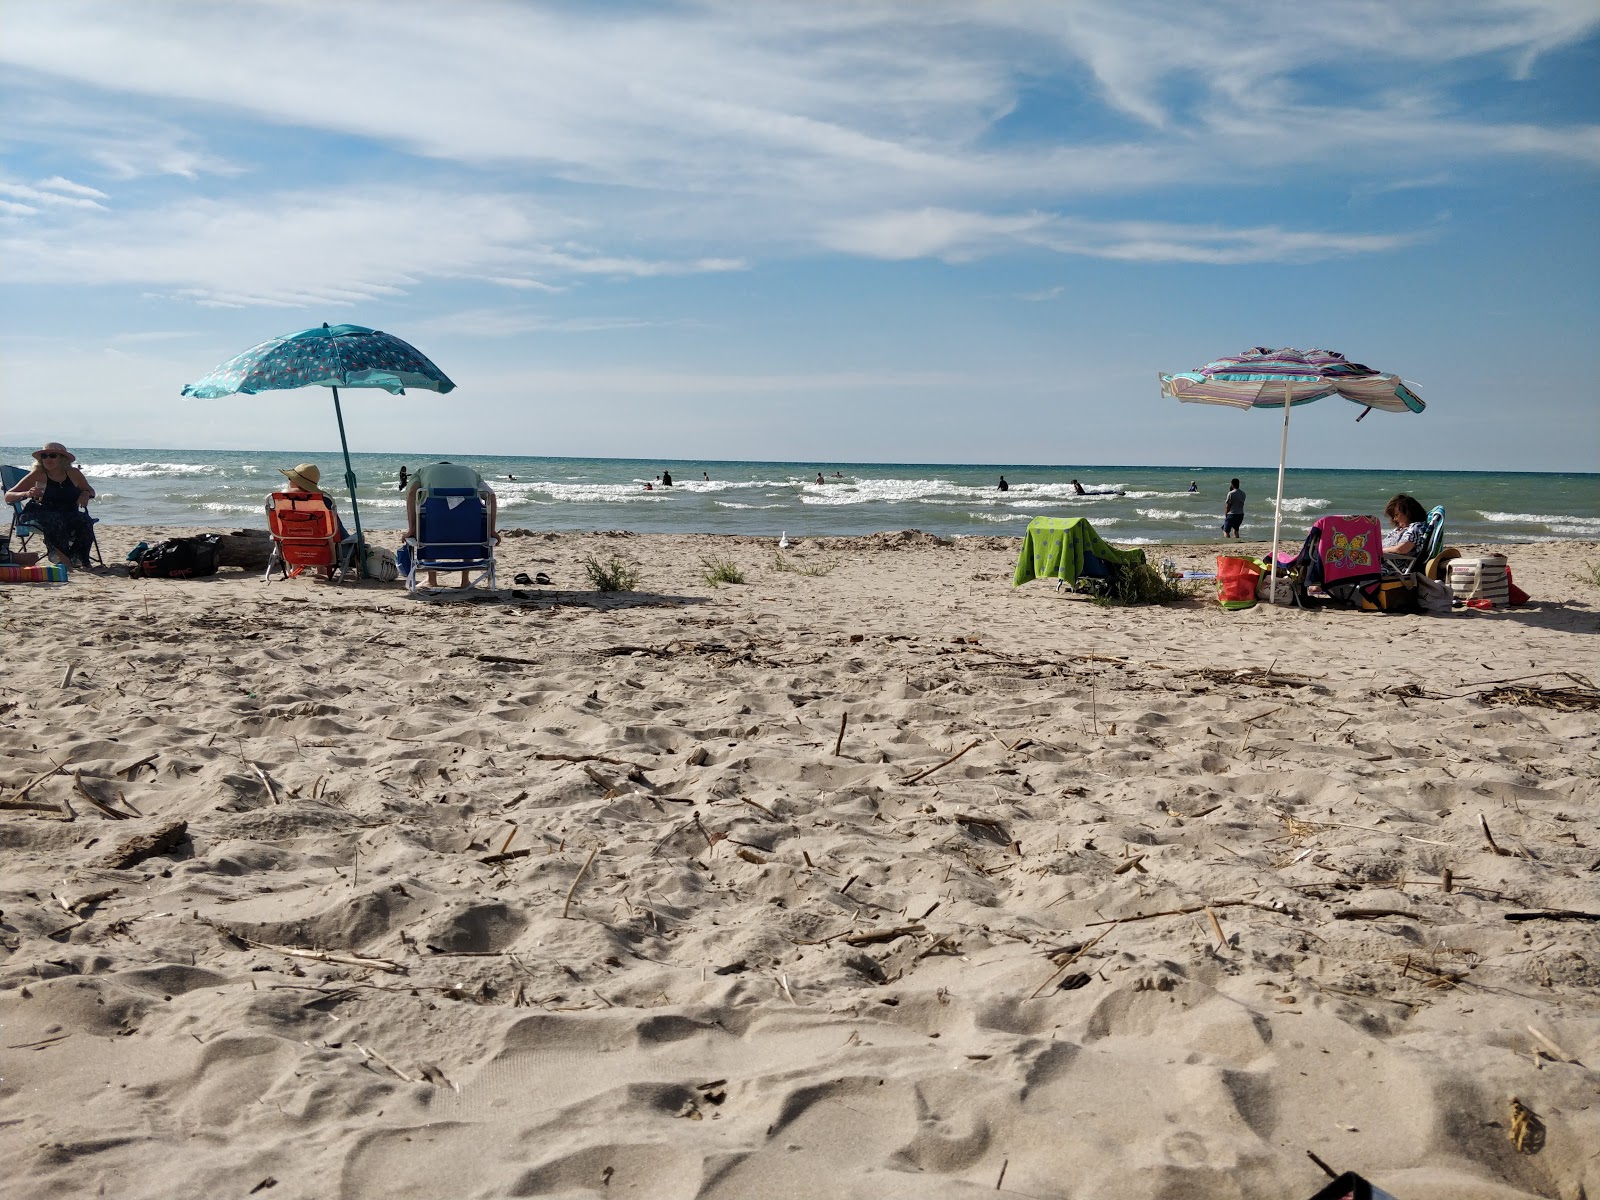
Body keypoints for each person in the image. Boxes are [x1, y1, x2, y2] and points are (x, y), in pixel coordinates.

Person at [405, 461, 500, 588]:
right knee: (468, 524)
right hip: (469, 538)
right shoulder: (472, 473)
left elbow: (412, 493)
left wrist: (412, 529)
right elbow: (491, 496)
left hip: (432, 537)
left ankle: (431, 580)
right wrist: (492, 530)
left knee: (427, 524)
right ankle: (465, 580)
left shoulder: (421, 472)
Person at [4, 443, 96, 568]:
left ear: (62, 459)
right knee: (54, 520)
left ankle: (80, 558)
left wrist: (85, 493)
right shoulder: (38, 474)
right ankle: (63, 560)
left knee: (85, 520)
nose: (47, 459)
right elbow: (8, 496)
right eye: (44, 456)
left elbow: (91, 491)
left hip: (68, 512)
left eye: (52, 456)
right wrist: (27, 493)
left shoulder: (74, 473)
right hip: (40, 511)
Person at [275, 463, 352, 578]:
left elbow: (281, 528)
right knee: (335, 535)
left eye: (290, 478)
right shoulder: (324, 501)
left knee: (294, 531)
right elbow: (336, 530)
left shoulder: (282, 501)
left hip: (292, 548)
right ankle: (320, 568)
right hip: (322, 550)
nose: (289, 480)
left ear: (296, 481)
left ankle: (295, 567)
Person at [1382, 493, 1428, 560]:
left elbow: (1402, 549)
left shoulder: (1415, 527)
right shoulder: (1399, 529)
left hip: (1389, 566)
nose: (1394, 519)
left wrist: (1378, 551)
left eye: (1396, 515)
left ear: (1408, 513)